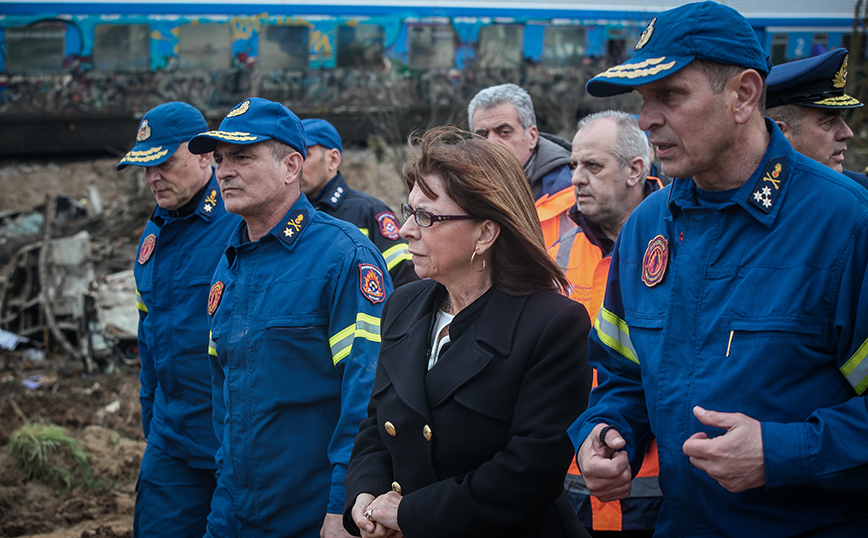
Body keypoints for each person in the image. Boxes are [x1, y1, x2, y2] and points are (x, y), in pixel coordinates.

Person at [570, 2, 868, 537]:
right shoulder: (646, 228)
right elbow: (623, 374)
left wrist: (781, 451)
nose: (646, 119)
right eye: (643, 100)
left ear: (744, 96)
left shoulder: (845, 224)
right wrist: (607, 431)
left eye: (670, 96)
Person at [343, 126, 593, 538]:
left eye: (427, 217)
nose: (406, 230)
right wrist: (365, 496)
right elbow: (378, 425)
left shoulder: (553, 324)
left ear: (485, 233)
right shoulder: (403, 304)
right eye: (409, 211)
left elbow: (529, 471)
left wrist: (411, 514)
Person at [187, 97, 393, 538]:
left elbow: (368, 393)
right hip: (233, 512)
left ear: (291, 166)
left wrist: (342, 503)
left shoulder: (343, 256)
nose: (224, 171)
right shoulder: (230, 264)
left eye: (242, 157)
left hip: (313, 514)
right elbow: (223, 395)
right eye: (220, 159)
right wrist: (224, 495)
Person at [118, 102, 241, 538]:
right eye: (145, 167)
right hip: (172, 436)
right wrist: (151, 416)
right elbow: (148, 335)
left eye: (164, 163)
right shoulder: (154, 232)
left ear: (205, 155)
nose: (153, 177)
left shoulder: (240, 221)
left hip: (234, 438)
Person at [550, 111, 662, 537]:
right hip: (573, 478)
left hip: (656, 485)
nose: (576, 178)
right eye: (573, 165)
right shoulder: (556, 249)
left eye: (593, 166)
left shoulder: (679, 238)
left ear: (635, 170)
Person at [300, 118, 416, 286]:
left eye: (305, 155)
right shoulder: (284, 214)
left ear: (333, 159)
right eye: (291, 157)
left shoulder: (370, 212)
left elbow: (405, 282)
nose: (295, 164)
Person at [468, 83, 576, 247]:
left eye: (504, 132)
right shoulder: (457, 193)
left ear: (532, 136)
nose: (491, 143)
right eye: (482, 135)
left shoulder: (576, 191)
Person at [765, 48, 868, 187]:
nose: (848, 133)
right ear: (780, 132)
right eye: (829, 122)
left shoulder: (861, 189)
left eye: (841, 117)